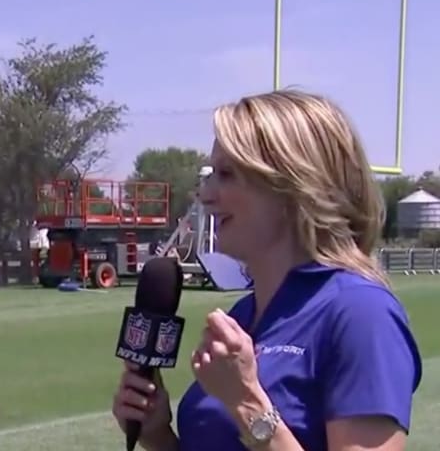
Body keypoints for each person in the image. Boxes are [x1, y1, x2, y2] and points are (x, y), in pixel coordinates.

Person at [111, 89, 422, 450]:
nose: (206, 194)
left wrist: (247, 405)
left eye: (227, 174)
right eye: (211, 174)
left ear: (292, 188)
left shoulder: (361, 314)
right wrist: (159, 437)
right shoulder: (244, 315)